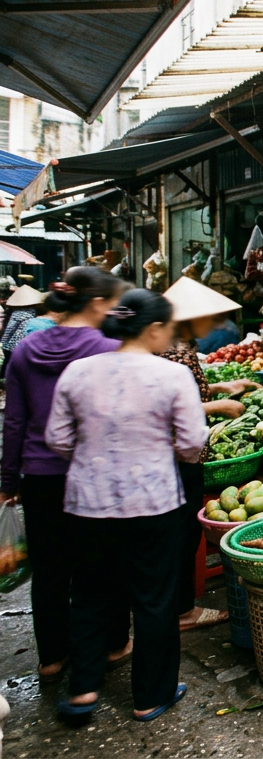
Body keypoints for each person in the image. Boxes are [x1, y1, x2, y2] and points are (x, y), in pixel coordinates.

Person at [47, 289, 208, 722]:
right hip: (152, 503)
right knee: (154, 600)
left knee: (90, 595)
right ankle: (150, 696)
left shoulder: (77, 372)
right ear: (154, 329)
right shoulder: (171, 377)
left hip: (88, 502)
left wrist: (95, 459)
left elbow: (58, 440)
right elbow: (194, 443)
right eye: (168, 330)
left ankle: (82, 691)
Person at [0, 268, 128, 683]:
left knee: (49, 569)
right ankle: (112, 644)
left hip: (38, 475)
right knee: (102, 563)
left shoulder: (24, 351)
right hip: (93, 474)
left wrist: (7, 482)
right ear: (96, 303)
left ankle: (52, 657)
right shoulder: (109, 350)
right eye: (111, 302)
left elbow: (14, 422)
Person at [160, 278, 258, 632]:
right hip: (180, 456)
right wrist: (218, 404)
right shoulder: (176, 350)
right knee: (182, 534)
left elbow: (184, 391)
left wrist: (219, 386)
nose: (216, 326)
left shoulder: (176, 345)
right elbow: (174, 406)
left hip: (173, 454)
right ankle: (183, 609)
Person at [0, 285, 46, 379]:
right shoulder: (35, 312)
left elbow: (10, 330)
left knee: (8, 368)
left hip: (14, 345)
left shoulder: (17, 313)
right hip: (29, 344)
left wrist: (4, 344)